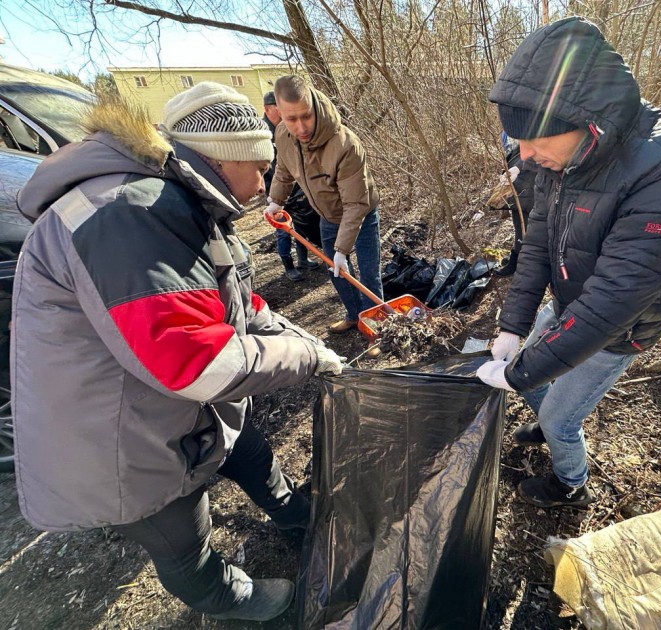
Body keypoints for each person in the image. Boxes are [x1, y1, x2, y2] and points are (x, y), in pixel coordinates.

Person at [13, 82, 344, 621]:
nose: (264, 184)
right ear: (221, 157)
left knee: (250, 451)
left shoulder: (181, 201)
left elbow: (226, 296)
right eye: (259, 167)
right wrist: (303, 359)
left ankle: (294, 514)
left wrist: (291, 333)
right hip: (118, 435)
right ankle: (230, 599)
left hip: (169, 405)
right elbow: (197, 362)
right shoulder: (128, 214)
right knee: (181, 539)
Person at [477, 18, 661, 509]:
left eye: (537, 140)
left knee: (561, 414)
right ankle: (548, 423)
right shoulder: (561, 159)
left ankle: (570, 483)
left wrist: (521, 373)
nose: (526, 155)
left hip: (620, 327)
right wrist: (513, 325)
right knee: (531, 373)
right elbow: (538, 241)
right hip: (570, 306)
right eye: (518, 141)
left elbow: (614, 300)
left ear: (588, 121)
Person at [266, 75, 383, 357]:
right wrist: (274, 200)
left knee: (368, 274)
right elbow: (284, 168)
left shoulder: (345, 144)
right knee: (338, 274)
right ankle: (355, 316)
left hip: (362, 213)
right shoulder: (284, 134)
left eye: (306, 116)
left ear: (315, 107)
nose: (301, 127)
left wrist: (343, 249)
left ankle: (378, 330)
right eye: (292, 119)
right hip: (328, 216)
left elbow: (356, 203)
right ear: (280, 113)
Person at [263, 90, 321, 281]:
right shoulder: (263, 133)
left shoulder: (288, 128)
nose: (281, 113)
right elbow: (270, 167)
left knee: (302, 227)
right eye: (277, 109)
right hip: (276, 190)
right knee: (283, 230)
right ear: (267, 109)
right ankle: (288, 266)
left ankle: (303, 260)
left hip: (297, 187)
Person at [488, 133, 537, 277]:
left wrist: (518, 167)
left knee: (526, 228)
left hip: (530, 182)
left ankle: (521, 265)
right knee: (519, 225)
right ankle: (517, 260)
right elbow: (513, 150)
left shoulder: (534, 123)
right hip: (519, 181)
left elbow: (537, 149)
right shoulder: (513, 126)